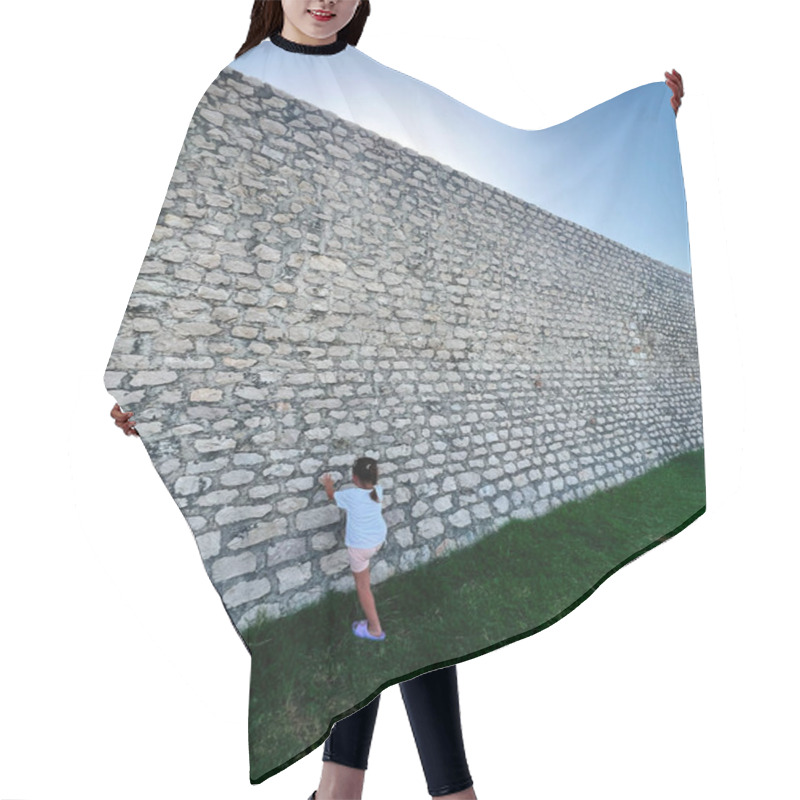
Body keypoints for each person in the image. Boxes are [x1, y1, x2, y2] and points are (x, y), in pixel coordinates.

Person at [110, 2, 685, 798]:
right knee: (367, 593)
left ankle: (355, 790)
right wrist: (157, 380)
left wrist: (639, 125)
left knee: (398, 586)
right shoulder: (239, 88)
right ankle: (420, 791)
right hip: (302, 389)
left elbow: (500, 159)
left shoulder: (378, 89)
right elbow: (199, 247)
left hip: (375, 379)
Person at [322, 458, 388, 641]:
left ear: (354, 478)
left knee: (362, 586)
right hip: (377, 540)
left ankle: (375, 629)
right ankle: (372, 623)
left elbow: (331, 495)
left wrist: (328, 484)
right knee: (364, 575)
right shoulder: (378, 490)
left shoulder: (350, 495)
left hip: (360, 546)